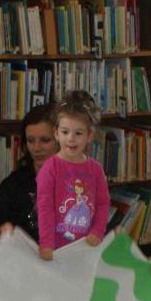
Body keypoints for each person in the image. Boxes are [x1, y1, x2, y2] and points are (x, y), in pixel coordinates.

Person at [36, 90, 111, 260]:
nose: (71, 139)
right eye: (65, 132)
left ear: (89, 135)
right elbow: (45, 208)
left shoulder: (96, 170)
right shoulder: (50, 169)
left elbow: (103, 203)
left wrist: (98, 231)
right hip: (57, 249)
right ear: (56, 133)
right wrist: (46, 243)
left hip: (86, 248)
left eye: (78, 133)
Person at [0, 103, 59, 242]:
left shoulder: (78, 181)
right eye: (31, 141)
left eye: (45, 140)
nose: (36, 148)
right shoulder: (14, 184)